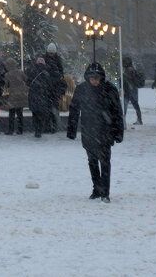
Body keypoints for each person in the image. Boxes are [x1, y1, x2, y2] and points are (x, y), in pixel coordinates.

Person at [67, 62, 124, 202]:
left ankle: (105, 191)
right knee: (92, 161)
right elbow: (74, 110)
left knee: (105, 162)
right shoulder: (82, 89)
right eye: (92, 78)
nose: (94, 81)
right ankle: (97, 188)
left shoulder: (110, 90)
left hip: (106, 131)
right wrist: (72, 130)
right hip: (89, 131)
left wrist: (118, 132)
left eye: (96, 78)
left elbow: (117, 112)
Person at [27, 57, 56, 138]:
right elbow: (50, 85)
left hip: (33, 96)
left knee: (35, 114)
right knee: (41, 114)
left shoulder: (33, 72)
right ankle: (40, 129)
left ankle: (36, 129)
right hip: (43, 96)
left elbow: (28, 83)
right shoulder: (46, 73)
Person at [2, 57, 28, 135]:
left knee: (12, 114)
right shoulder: (21, 72)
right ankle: (20, 130)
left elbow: (6, 85)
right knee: (20, 114)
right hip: (21, 95)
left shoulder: (7, 75)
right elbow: (26, 79)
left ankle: (11, 130)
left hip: (13, 96)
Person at [121, 56, 143, 125]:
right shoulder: (133, 69)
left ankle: (123, 120)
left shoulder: (128, 70)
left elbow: (126, 79)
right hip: (134, 90)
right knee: (136, 105)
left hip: (128, 90)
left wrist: (122, 76)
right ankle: (139, 120)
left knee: (124, 106)